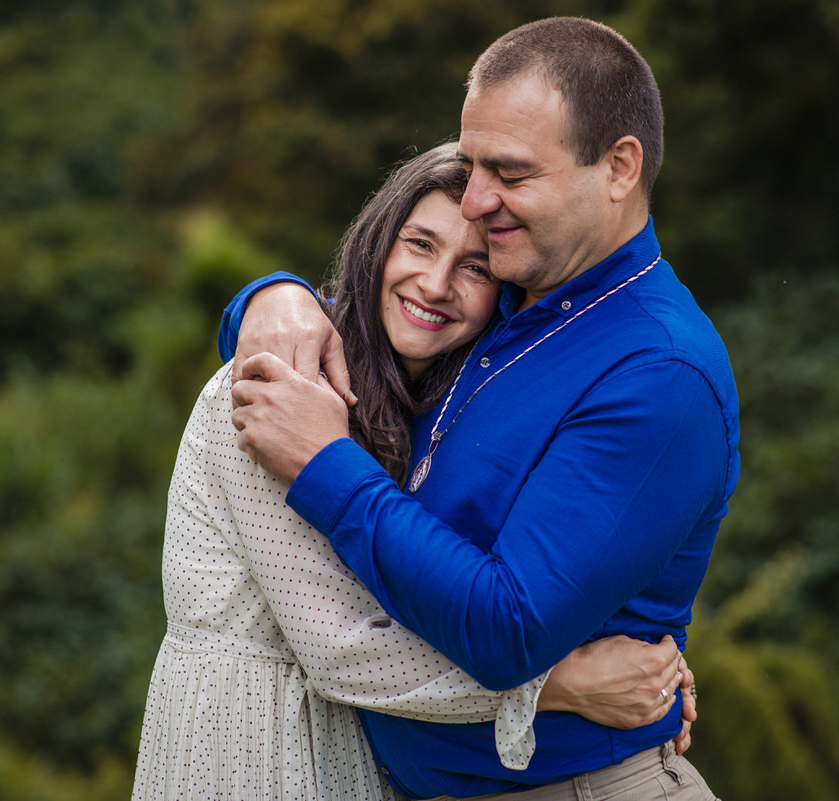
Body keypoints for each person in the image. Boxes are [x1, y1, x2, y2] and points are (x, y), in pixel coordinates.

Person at [225, 17, 737, 801]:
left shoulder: (658, 372)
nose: (476, 199)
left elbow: (507, 630)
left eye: (510, 172)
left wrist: (326, 464)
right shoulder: (509, 300)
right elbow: (367, 322)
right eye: (469, 166)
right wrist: (269, 299)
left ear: (619, 168)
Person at [133, 143, 695, 801]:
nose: (434, 283)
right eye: (420, 245)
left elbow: (484, 580)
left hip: (368, 757)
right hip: (253, 746)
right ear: (378, 243)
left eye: (475, 268)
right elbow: (341, 647)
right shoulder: (277, 389)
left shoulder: (450, 407)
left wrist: (643, 661)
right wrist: (561, 685)